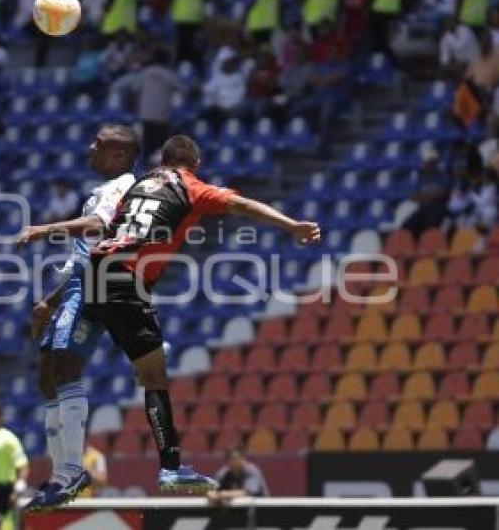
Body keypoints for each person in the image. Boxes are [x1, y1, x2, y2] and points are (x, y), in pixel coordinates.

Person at [82, 136, 320, 492]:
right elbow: (243, 205)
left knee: (78, 364)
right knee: (154, 378)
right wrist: (292, 225)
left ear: (163, 159)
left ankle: (65, 464)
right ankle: (171, 467)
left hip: (94, 274)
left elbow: (109, 232)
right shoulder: (191, 187)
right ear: (194, 163)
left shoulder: (139, 184)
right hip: (126, 281)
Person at [17, 124, 139, 510]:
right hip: (77, 285)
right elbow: (85, 252)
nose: (90, 148)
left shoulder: (121, 186)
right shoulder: (101, 189)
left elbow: (98, 227)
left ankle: (71, 471)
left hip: (95, 287)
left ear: (119, 155)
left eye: (99, 146)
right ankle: (60, 473)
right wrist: (51, 301)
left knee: (66, 368)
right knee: (47, 374)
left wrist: (46, 229)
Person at [111, 48, 184, 160]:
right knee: (161, 150)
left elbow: (134, 90)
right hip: (162, 117)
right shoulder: (169, 75)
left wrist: (135, 106)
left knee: (147, 148)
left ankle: (146, 167)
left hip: (146, 116)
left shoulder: (145, 73)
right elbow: (183, 89)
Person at [169, 0, 206, 64]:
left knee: (183, 43)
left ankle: (182, 63)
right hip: (197, 15)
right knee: (191, 42)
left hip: (182, 14)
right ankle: (193, 63)